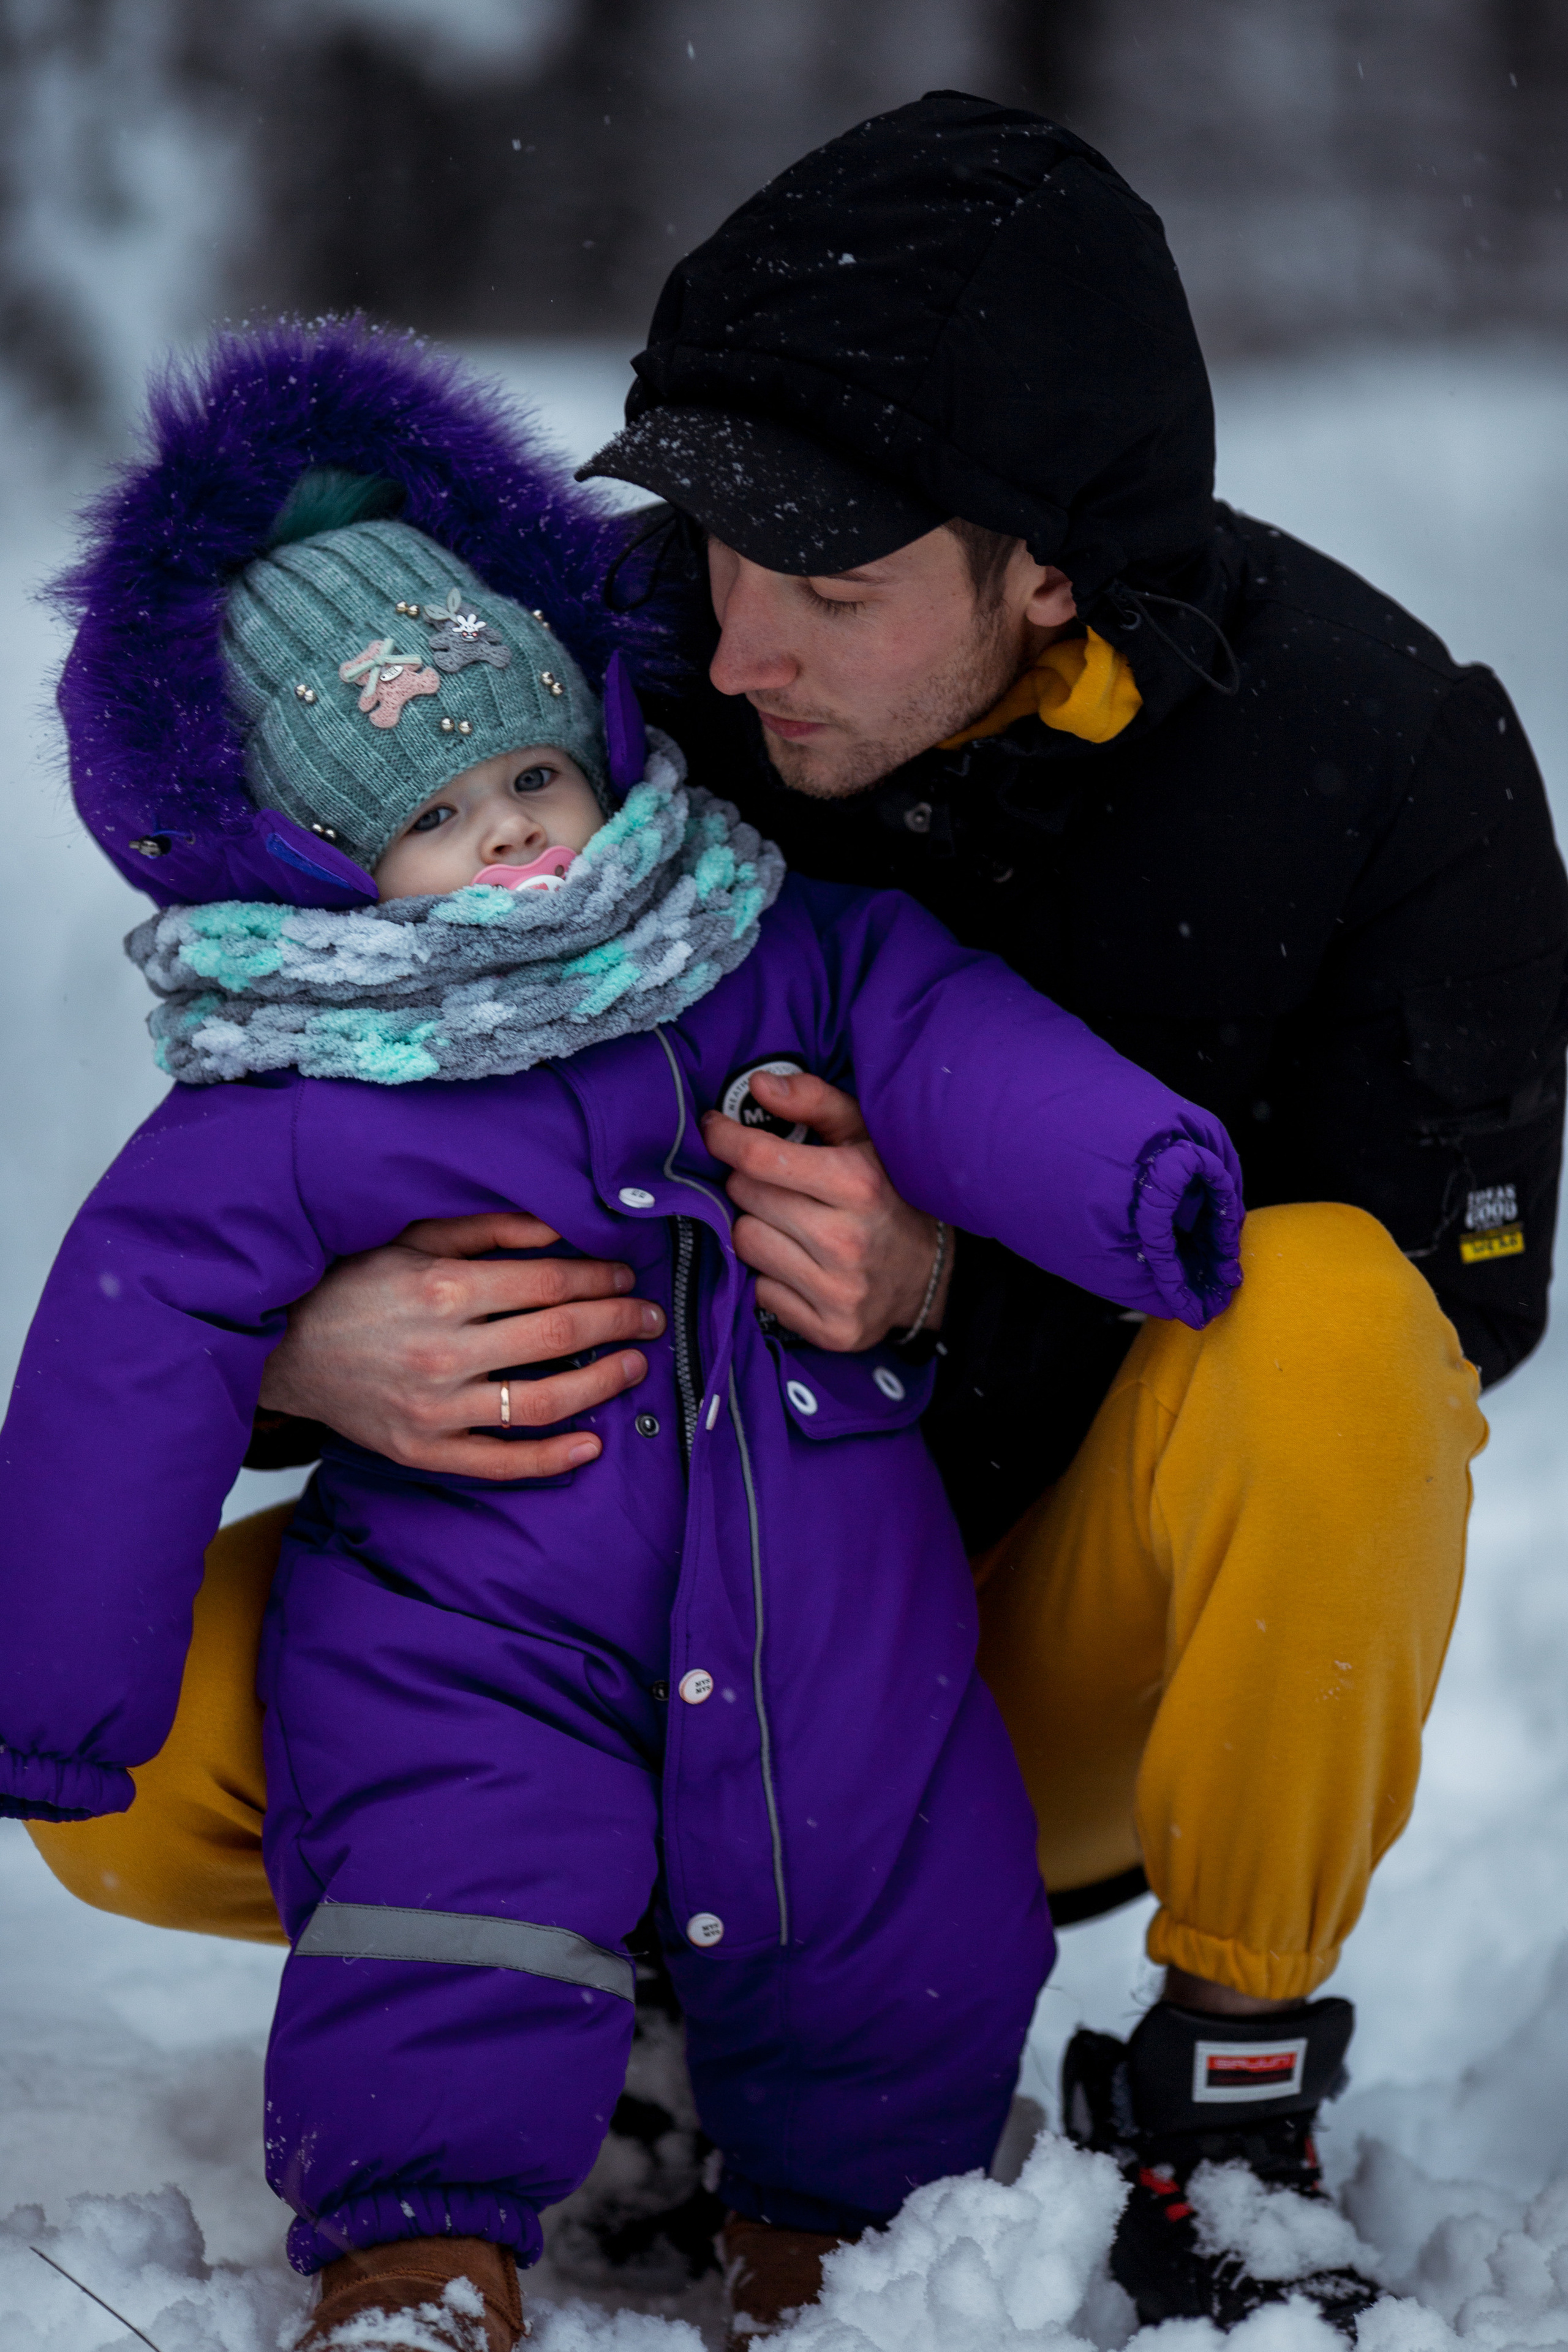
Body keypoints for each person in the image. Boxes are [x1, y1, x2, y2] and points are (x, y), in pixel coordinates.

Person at [24, 91, 1553, 2334]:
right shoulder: (596, 684)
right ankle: (597, 1975)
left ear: (1047, 562)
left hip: (988, 1666)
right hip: (531, 1634)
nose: (737, 650)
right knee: (120, 1727)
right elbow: (268, 1134)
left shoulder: (1388, 764)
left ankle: (1226, 2102)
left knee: (1329, 1311)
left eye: (831, 589)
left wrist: (956, 1290)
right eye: (721, 556)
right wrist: (293, 1352)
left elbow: (1454, 1339)